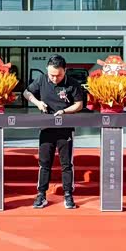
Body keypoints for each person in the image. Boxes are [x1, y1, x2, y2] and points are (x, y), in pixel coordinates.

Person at [23, 55, 83, 209]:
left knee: (66, 164)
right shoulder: (41, 80)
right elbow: (26, 93)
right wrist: (37, 103)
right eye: (52, 75)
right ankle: (41, 195)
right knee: (44, 163)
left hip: (65, 129)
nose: (55, 78)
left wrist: (64, 111)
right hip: (46, 127)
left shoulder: (73, 83)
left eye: (59, 75)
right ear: (47, 70)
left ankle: (68, 195)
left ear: (65, 71)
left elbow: (79, 104)